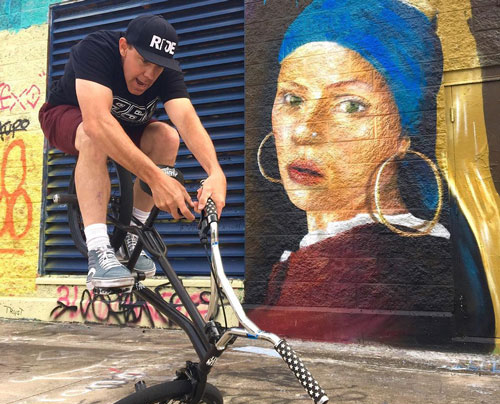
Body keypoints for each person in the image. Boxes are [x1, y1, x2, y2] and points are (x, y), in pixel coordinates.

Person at [249, 0, 494, 342]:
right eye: (293, 99)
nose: (305, 130)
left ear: (403, 134)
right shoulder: (328, 255)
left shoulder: (385, 272)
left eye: (350, 105)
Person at [39, 14, 226, 291]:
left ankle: (131, 236)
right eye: (143, 61)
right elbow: (98, 122)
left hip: (125, 125)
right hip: (66, 116)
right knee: (93, 135)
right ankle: (99, 252)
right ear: (124, 47)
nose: (149, 74)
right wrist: (156, 179)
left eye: (158, 67)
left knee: (167, 137)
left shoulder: (165, 71)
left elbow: (186, 119)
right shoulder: (96, 49)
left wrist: (215, 172)